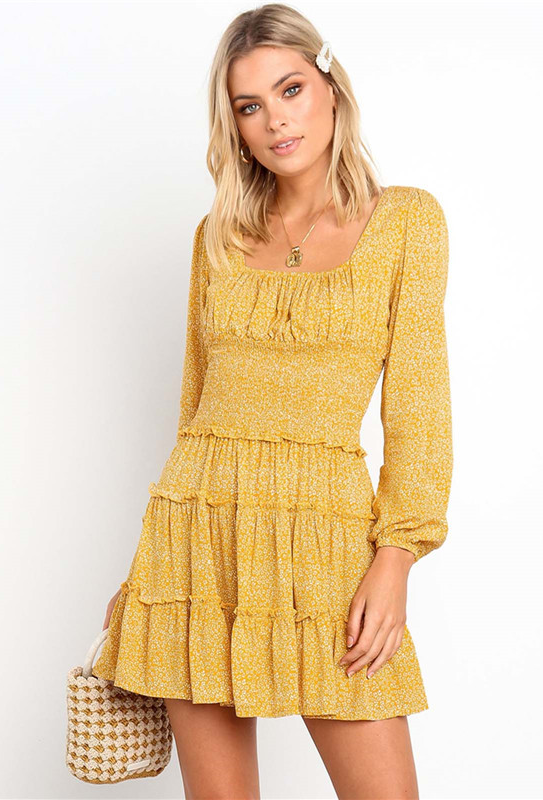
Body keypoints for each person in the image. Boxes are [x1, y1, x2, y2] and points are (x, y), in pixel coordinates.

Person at [91, 4, 452, 798]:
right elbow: (195, 410)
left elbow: (419, 407)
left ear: (330, 88)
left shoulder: (407, 223)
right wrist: (144, 577)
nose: (276, 120)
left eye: (290, 90)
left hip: (327, 538)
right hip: (197, 542)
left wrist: (395, 560)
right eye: (249, 106)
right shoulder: (217, 237)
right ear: (236, 126)